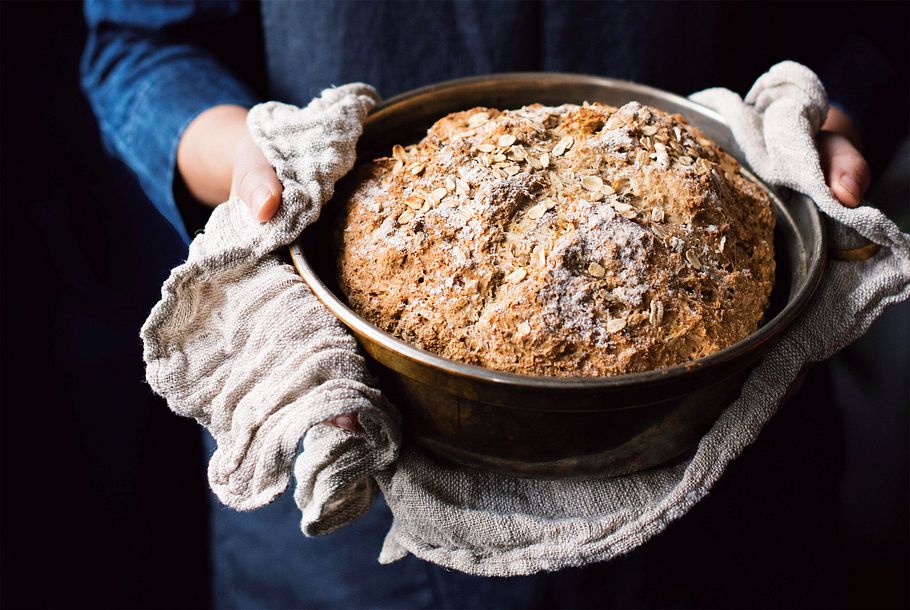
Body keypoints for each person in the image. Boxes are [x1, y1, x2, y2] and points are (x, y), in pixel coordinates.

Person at [81, 2, 900, 607]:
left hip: (725, 496)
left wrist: (830, 116)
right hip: (357, 500)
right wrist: (256, 165)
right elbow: (140, 45)